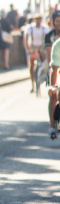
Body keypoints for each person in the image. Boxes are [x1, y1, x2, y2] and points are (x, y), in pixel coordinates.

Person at [24, 14, 50, 92]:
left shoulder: (44, 28)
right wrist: (27, 49)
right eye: (36, 19)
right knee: (31, 65)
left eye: (39, 19)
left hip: (41, 46)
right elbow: (26, 38)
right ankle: (33, 84)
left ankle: (43, 76)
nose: (38, 21)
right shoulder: (30, 28)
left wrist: (44, 49)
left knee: (44, 62)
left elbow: (47, 39)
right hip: (33, 46)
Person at [45, 11, 60, 139]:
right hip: (55, 68)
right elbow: (55, 67)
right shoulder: (55, 43)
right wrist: (53, 86)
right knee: (54, 95)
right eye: (57, 20)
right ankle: (52, 125)